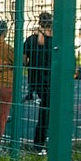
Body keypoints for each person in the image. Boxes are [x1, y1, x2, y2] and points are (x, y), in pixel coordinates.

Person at [23, 13, 55, 149]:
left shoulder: (31, 39)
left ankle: (40, 141)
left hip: (35, 78)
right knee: (48, 111)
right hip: (50, 78)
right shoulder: (54, 40)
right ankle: (41, 142)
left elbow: (24, 60)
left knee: (45, 110)